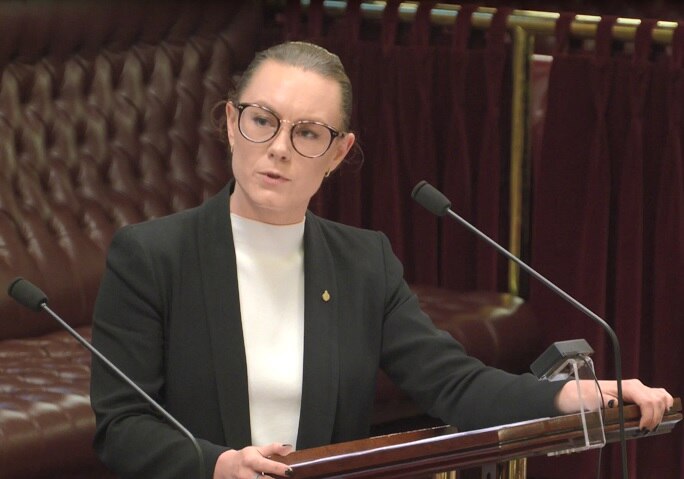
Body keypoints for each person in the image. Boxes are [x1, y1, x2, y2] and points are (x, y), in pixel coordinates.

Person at [89, 41, 674, 479]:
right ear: (230, 122)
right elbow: (122, 427)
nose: (278, 149)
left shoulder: (361, 262)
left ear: (339, 152)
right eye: (262, 120)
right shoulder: (152, 255)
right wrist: (215, 466)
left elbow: (453, 384)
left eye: (309, 133)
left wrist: (570, 396)